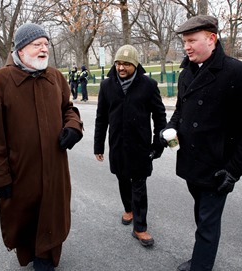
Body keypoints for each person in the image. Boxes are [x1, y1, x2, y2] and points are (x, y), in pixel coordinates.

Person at [159, 15, 242, 271]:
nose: (186, 47)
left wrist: (234, 170)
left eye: (191, 41)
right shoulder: (187, 72)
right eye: (184, 41)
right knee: (201, 217)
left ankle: (201, 265)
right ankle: (200, 257)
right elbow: (180, 111)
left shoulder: (239, 73)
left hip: (218, 168)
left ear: (211, 39)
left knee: (208, 224)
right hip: (191, 164)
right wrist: (170, 127)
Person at [0, 23, 83, 271]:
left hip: (55, 167)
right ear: (21, 49)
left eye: (46, 44)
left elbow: (68, 109)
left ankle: (45, 258)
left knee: (53, 213)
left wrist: (73, 127)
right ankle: (33, 254)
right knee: (27, 217)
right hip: (21, 171)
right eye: (37, 44)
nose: (43, 49)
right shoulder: (0, 80)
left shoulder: (55, 77)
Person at [94, 44, 167, 247]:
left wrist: (157, 144)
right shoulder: (106, 86)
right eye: (118, 63)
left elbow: (160, 117)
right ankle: (128, 209)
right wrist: (98, 146)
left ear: (135, 64)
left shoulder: (149, 85)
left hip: (140, 146)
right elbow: (101, 119)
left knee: (139, 185)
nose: (121, 68)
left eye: (126, 64)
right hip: (117, 144)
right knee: (122, 179)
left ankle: (140, 228)